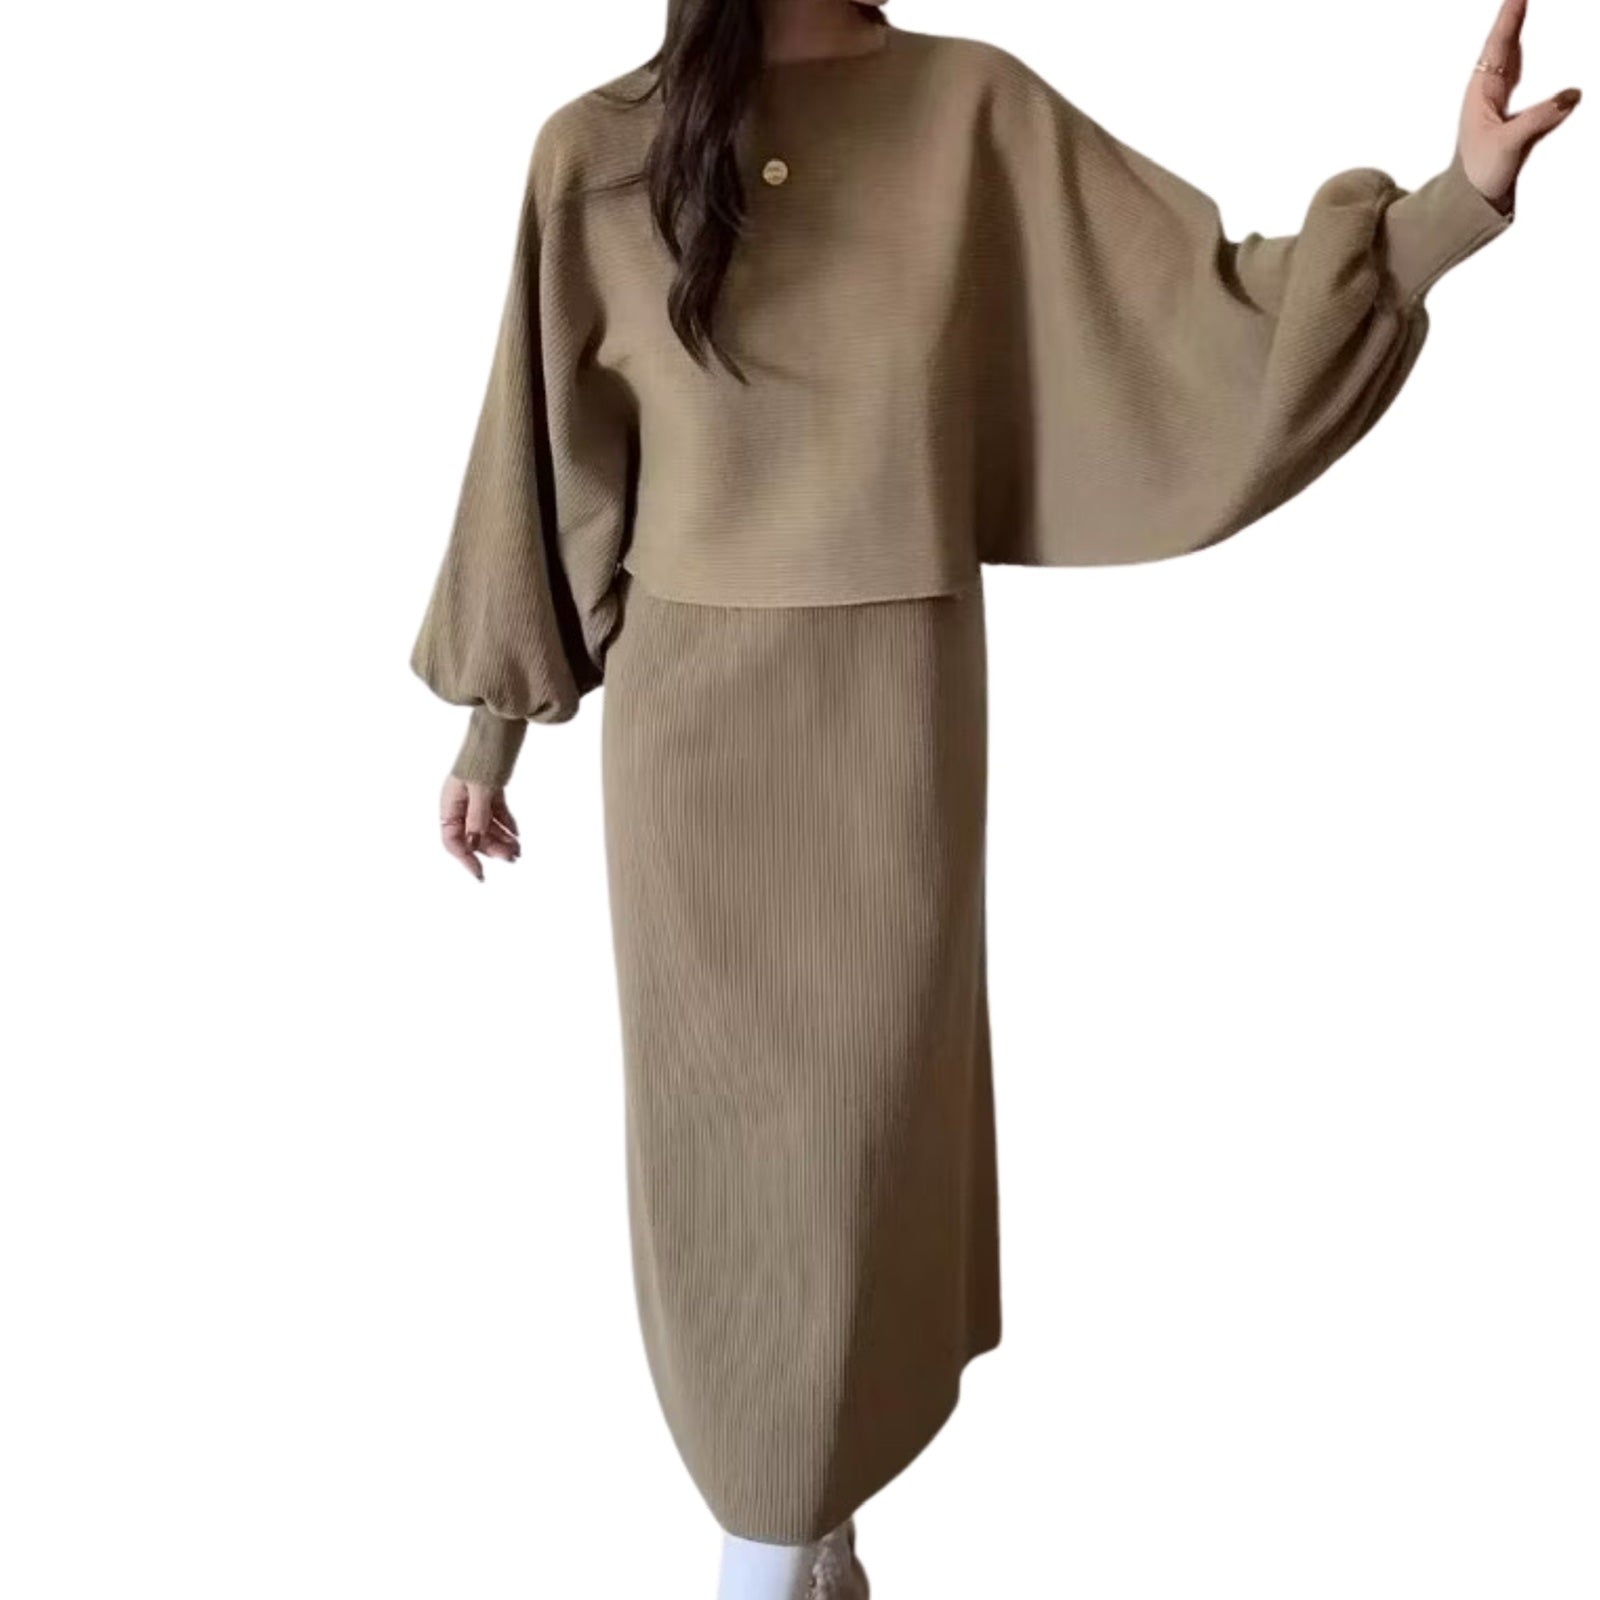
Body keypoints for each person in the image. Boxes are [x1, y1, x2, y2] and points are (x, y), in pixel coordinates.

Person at [408, 1, 1577, 1594]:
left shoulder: (976, 110)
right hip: (695, 764)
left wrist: (1454, 205)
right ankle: (779, 1554)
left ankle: (803, 1534)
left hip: (893, 731)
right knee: (733, 1191)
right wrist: (492, 730)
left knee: (860, 1169)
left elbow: (1197, 319)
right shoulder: (598, 148)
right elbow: (547, 459)